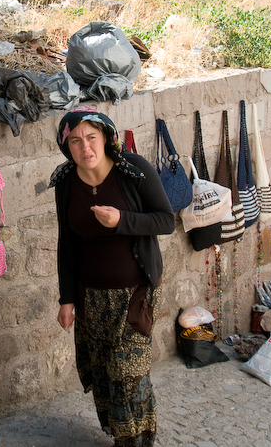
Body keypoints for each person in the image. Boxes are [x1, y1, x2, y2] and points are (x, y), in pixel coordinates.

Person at [49, 106, 175, 447]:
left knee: (128, 375)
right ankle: (122, 434)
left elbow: (166, 220)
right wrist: (67, 299)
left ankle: (137, 440)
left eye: (91, 137)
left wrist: (122, 219)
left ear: (106, 138)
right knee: (103, 373)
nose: (85, 148)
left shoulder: (133, 171)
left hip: (134, 292)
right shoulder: (65, 183)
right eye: (75, 141)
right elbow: (67, 243)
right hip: (91, 297)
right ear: (66, 146)